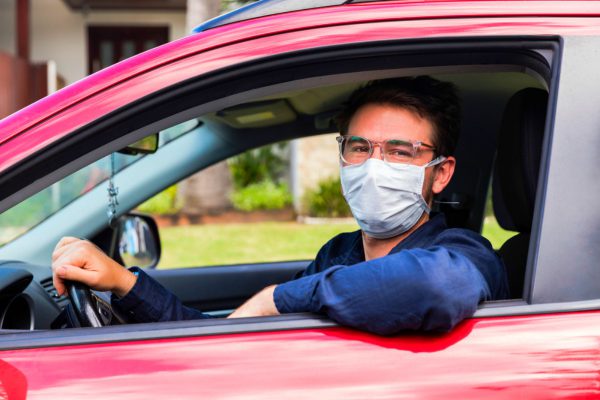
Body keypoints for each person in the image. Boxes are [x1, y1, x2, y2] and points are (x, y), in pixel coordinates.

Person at [52, 76, 508, 335]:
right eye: (359, 147)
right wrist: (121, 282)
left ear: (441, 173)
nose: (374, 166)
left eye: (399, 151)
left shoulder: (464, 251)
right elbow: (229, 336)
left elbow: (434, 288)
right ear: (343, 155)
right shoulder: (340, 254)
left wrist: (277, 298)